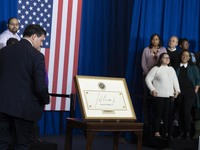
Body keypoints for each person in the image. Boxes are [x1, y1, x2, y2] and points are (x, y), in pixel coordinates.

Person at [0, 24, 49, 150]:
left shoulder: (3, 51)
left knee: (2, 143)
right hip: (24, 109)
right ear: (33, 37)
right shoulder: (37, 56)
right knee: (22, 145)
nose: (42, 44)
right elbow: (40, 85)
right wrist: (45, 99)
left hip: (2, 106)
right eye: (41, 40)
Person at [145, 53, 180, 138]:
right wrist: (152, 89)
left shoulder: (171, 69)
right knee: (158, 115)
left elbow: (175, 81)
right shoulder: (156, 69)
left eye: (168, 58)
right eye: (164, 58)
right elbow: (148, 79)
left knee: (167, 116)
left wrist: (177, 90)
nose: (167, 59)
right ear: (160, 59)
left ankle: (167, 132)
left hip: (169, 96)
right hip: (159, 96)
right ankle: (156, 131)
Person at [141, 33, 167, 126]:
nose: (154, 41)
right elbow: (143, 64)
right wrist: (149, 76)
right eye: (153, 39)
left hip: (159, 78)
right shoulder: (146, 50)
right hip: (147, 77)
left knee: (157, 100)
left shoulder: (163, 49)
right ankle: (147, 122)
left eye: (156, 39)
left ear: (159, 40)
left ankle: (157, 122)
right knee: (147, 99)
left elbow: (165, 62)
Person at [175, 50, 200, 139]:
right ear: (181, 56)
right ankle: (181, 132)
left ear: (189, 58)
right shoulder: (177, 67)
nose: (185, 57)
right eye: (183, 55)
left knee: (186, 111)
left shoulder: (193, 67)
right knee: (180, 112)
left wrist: (195, 90)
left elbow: (198, 79)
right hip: (179, 92)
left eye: (187, 56)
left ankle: (187, 132)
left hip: (190, 92)